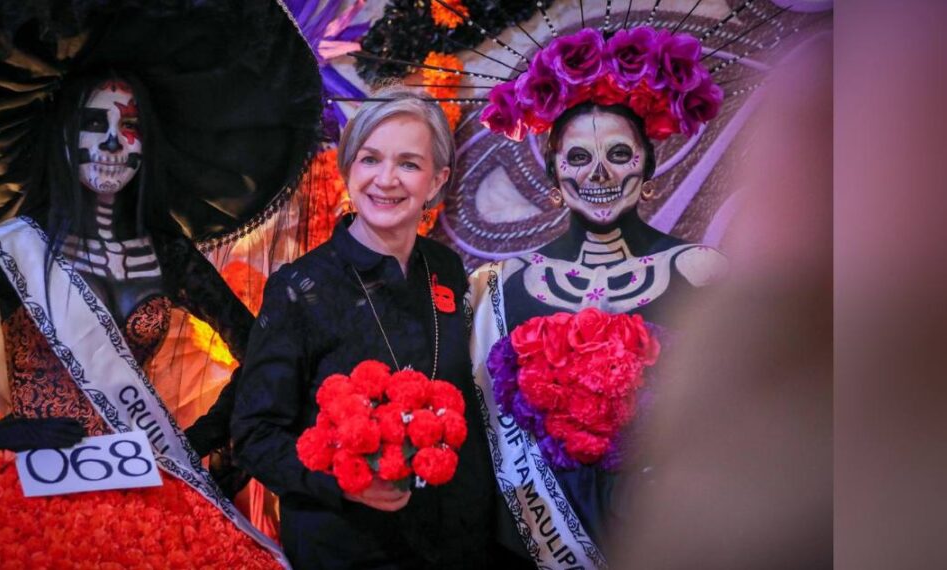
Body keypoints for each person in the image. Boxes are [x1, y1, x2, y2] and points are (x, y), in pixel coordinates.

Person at [0, 70, 287, 568]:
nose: (113, 141)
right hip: (26, 487)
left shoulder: (169, 255)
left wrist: (198, 438)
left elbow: (262, 353)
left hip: (140, 478)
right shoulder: (13, 248)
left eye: (130, 126)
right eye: (94, 124)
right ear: (64, 138)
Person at [469, 26, 729, 569]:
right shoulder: (501, 285)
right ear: (554, 172)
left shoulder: (702, 271)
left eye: (618, 153)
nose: (600, 173)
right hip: (538, 546)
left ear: (648, 164)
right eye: (578, 158)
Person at [231, 90, 504, 569]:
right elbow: (255, 436)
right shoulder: (301, 288)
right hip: (347, 548)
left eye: (408, 164)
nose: (386, 179)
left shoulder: (445, 267)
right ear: (348, 168)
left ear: (437, 180)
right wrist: (343, 481)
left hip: (453, 543)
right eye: (370, 159)